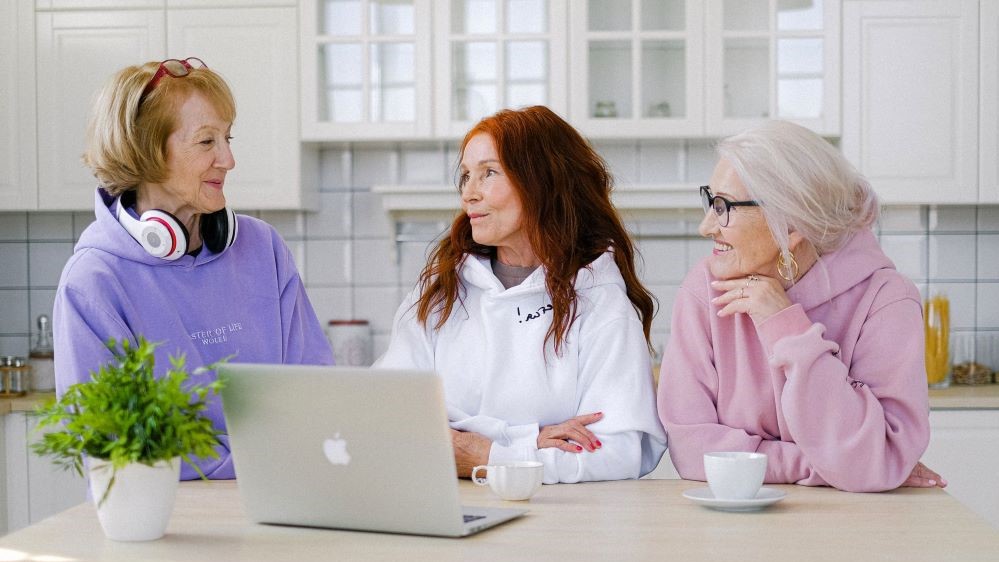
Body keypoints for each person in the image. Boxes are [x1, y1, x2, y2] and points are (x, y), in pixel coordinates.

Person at [54, 58, 333, 480]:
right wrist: (263, 457)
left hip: (282, 501)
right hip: (165, 521)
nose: (229, 159)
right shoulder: (93, 282)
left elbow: (316, 392)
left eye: (228, 138)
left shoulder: (262, 248)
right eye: (207, 142)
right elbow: (114, 443)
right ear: (146, 152)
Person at [376, 106, 667, 483]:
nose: (469, 194)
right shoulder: (439, 292)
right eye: (466, 176)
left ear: (542, 182)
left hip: (557, 525)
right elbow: (385, 415)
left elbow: (619, 454)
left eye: (489, 173)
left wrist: (482, 453)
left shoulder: (601, 303)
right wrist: (530, 439)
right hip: (446, 512)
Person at [657, 120, 944, 492]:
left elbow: (879, 457)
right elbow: (692, 451)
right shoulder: (705, 290)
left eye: (723, 206)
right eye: (709, 201)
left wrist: (785, 328)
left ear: (791, 226)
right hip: (734, 526)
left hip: (855, 529)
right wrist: (825, 466)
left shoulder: (886, 299)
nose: (706, 225)